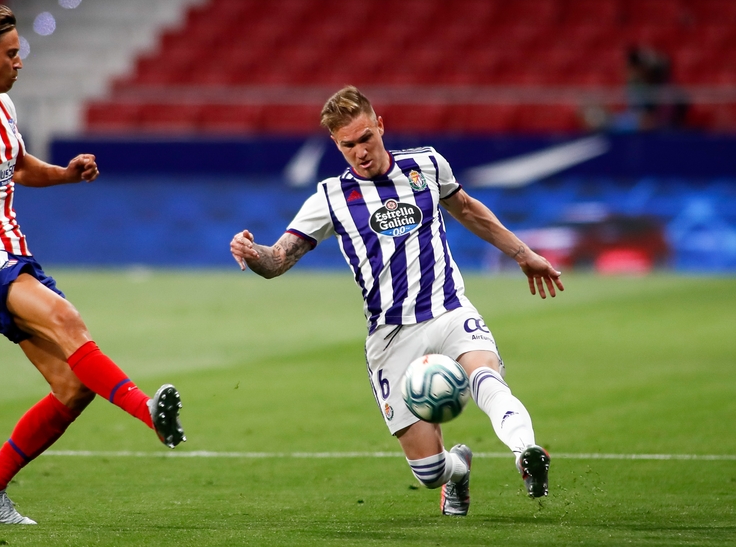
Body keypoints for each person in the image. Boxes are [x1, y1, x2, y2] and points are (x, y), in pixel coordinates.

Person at [0, 5, 185, 525]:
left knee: (73, 388)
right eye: (12, 54)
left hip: (13, 254)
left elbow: (17, 166)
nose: (20, 63)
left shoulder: (2, 107)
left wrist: (66, 174)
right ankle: (147, 412)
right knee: (66, 320)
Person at [229, 86, 562, 516]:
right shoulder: (330, 198)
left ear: (380, 126)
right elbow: (277, 260)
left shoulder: (425, 165)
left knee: (486, 377)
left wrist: (524, 254)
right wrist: (253, 253)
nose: (360, 152)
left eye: (365, 138)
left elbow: (467, 209)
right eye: (348, 145)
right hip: (391, 336)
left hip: (447, 309)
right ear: (336, 144)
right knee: (429, 471)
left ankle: (526, 452)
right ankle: (457, 472)